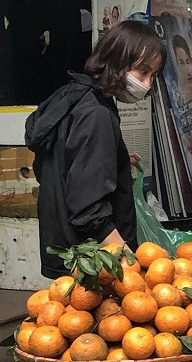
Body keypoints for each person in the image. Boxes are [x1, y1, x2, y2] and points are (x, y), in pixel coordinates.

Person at [25, 21, 165, 278]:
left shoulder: (73, 96)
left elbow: (64, 163)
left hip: (66, 248)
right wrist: (125, 259)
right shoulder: (96, 114)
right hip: (94, 261)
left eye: (153, 75)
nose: (147, 84)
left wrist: (117, 160)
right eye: (142, 72)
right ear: (116, 62)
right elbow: (88, 209)